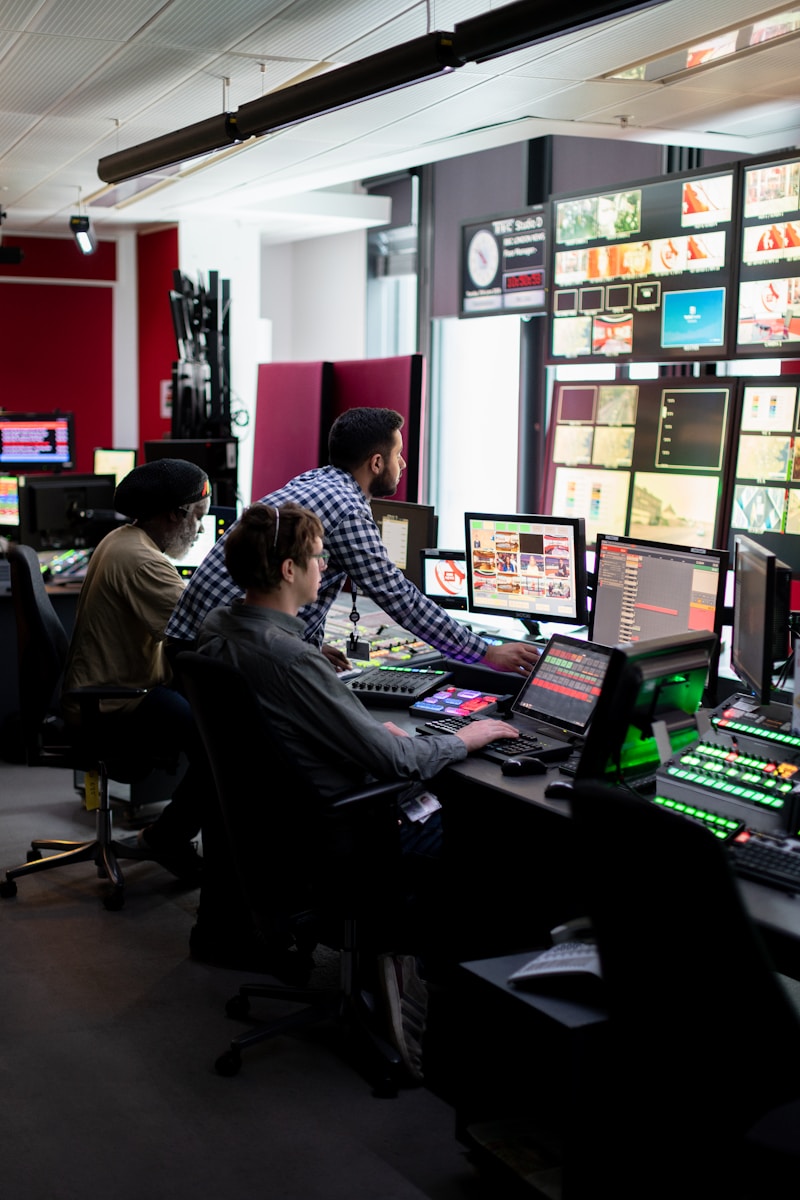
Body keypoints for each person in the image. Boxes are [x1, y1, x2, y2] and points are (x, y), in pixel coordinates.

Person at [195, 501, 521, 1081]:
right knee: (499, 835)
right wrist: (466, 738)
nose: (326, 568)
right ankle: (450, 1023)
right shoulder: (290, 658)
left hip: (283, 822)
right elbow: (395, 757)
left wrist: (359, 723)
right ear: (290, 570)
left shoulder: (222, 627)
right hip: (340, 830)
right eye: (320, 557)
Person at [166, 407, 540, 677]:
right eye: (397, 455)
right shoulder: (347, 509)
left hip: (198, 645)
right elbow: (399, 597)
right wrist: (486, 651)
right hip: (230, 655)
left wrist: (309, 649)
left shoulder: (314, 480)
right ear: (376, 463)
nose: (403, 464)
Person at [61, 458, 213, 880]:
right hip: (115, 706)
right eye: (197, 518)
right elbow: (205, 625)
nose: (199, 529)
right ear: (173, 514)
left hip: (111, 692)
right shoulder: (143, 562)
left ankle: (169, 833)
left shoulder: (122, 539)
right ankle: (168, 837)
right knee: (222, 742)